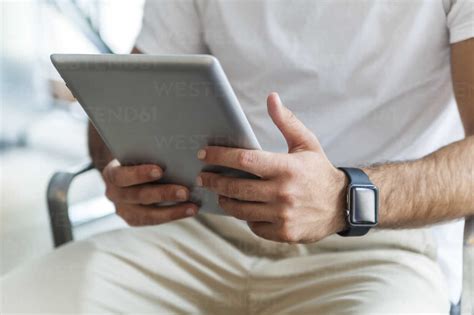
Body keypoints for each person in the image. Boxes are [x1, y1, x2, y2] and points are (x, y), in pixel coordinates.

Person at [2, 0, 473, 313]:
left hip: (380, 249)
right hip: (200, 233)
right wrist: (124, 171)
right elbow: (119, 116)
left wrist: (345, 196)